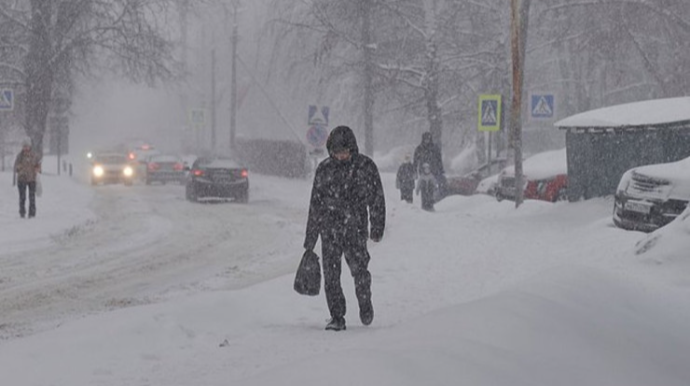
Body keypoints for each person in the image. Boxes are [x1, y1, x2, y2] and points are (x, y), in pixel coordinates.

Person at [304, 125, 386, 331]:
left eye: (344, 152)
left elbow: (377, 199)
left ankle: (364, 303)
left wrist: (377, 228)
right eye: (336, 153)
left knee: (360, 271)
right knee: (331, 276)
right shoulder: (324, 169)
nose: (340, 157)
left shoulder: (366, 167)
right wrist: (311, 239)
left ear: (352, 149)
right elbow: (316, 204)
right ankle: (337, 316)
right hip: (329, 231)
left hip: (355, 229)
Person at [13, 140, 42, 218]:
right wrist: (20, 167)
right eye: (24, 146)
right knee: (22, 197)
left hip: (32, 179)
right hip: (22, 179)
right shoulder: (19, 156)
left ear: (30, 146)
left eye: (27, 146)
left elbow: (39, 165)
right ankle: (22, 213)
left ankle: (32, 213)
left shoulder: (34, 155)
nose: (25, 148)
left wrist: (37, 169)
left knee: (32, 197)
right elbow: (15, 167)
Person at [413, 131, 445, 197]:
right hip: (422, 171)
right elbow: (415, 160)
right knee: (423, 186)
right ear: (423, 139)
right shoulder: (419, 149)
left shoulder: (435, 148)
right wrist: (414, 170)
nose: (426, 140)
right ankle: (425, 200)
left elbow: (439, 160)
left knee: (433, 185)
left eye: (428, 139)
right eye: (425, 139)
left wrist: (441, 169)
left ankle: (433, 199)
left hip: (434, 170)